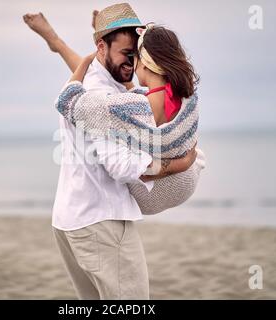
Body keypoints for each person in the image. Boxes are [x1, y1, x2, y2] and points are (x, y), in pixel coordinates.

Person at [22, 3, 205, 299]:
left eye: (137, 56)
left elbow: (97, 74)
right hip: (102, 222)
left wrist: (56, 42)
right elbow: (119, 164)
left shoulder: (102, 84)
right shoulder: (101, 98)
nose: (132, 65)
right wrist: (178, 166)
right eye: (127, 55)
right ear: (101, 48)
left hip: (71, 220)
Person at [56, 23, 203, 214]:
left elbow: (67, 100)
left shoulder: (130, 107)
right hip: (188, 179)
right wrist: (183, 163)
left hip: (153, 193)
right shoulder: (188, 98)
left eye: (133, 57)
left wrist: (85, 62)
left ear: (145, 62)